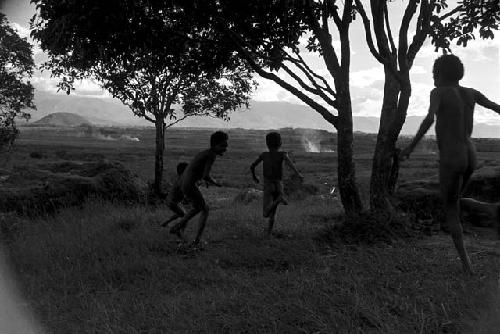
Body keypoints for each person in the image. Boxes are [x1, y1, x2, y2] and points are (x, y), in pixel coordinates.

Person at [400, 54, 500, 274]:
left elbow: (429, 119)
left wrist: (409, 148)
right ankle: (490, 208)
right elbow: (496, 107)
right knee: (454, 199)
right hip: (471, 154)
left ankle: (467, 266)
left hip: (452, 157)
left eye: (434, 74)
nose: (433, 78)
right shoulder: (471, 93)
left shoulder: (438, 92)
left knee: (451, 208)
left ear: (440, 74)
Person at [169, 131, 228, 246]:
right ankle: (196, 239)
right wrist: (215, 183)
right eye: (223, 146)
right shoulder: (211, 155)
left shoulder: (204, 153)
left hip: (184, 184)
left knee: (198, 208)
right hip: (189, 185)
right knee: (205, 209)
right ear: (214, 145)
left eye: (226, 146)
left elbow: (197, 171)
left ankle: (178, 227)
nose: (225, 149)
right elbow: (206, 175)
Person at [250, 131, 303, 235]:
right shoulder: (282, 154)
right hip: (279, 185)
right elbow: (291, 164)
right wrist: (298, 174)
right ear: (280, 143)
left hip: (268, 184)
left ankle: (278, 200)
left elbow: (252, 166)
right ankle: (269, 233)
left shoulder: (264, 155)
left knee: (266, 213)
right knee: (273, 212)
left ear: (267, 143)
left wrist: (255, 177)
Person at [161, 162, 189, 228]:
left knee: (181, 214)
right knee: (185, 216)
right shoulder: (182, 180)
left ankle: (166, 223)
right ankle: (178, 230)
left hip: (171, 200)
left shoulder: (181, 178)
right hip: (173, 202)